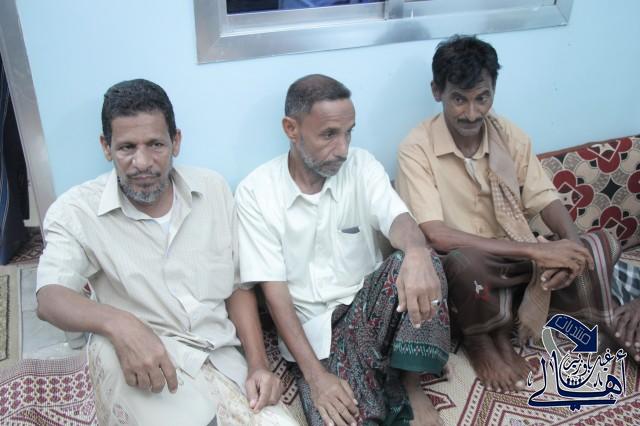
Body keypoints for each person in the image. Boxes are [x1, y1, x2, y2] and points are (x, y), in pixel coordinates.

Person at [35, 79, 297, 425]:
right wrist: (120, 323)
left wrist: (258, 365)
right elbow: (49, 298)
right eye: (127, 147)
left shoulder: (213, 189)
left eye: (156, 144)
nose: (142, 162)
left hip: (219, 356)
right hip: (145, 361)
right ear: (106, 147)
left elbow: (237, 287)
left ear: (176, 141)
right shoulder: (76, 210)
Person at [396, 35, 620, 393]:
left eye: (482, 98)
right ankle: (481, 340)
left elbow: (544, 198)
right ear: (437, 91)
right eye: (459, 99)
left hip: (514, 258)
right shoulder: (416, 147)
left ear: (493, 92)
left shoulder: (509, 135)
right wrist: (537, 251)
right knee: (466, 263)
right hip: (467, 268)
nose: (472, 113)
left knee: (598, 245)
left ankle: (527, 323)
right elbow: (436, 234)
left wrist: (571, 249)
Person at [235, 74, 450, 426]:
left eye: (349, 133)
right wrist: (317, 379)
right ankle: (382, 380)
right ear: (291, 128)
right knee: (343, 417)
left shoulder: (361, 165)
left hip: (370, 310)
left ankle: (411, 385)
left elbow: (399, 220)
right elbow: (275, 297)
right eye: (329, 135)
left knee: (421, 260)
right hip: (316, 338)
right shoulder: (256, 193)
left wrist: (416, 251)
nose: (343, 149)